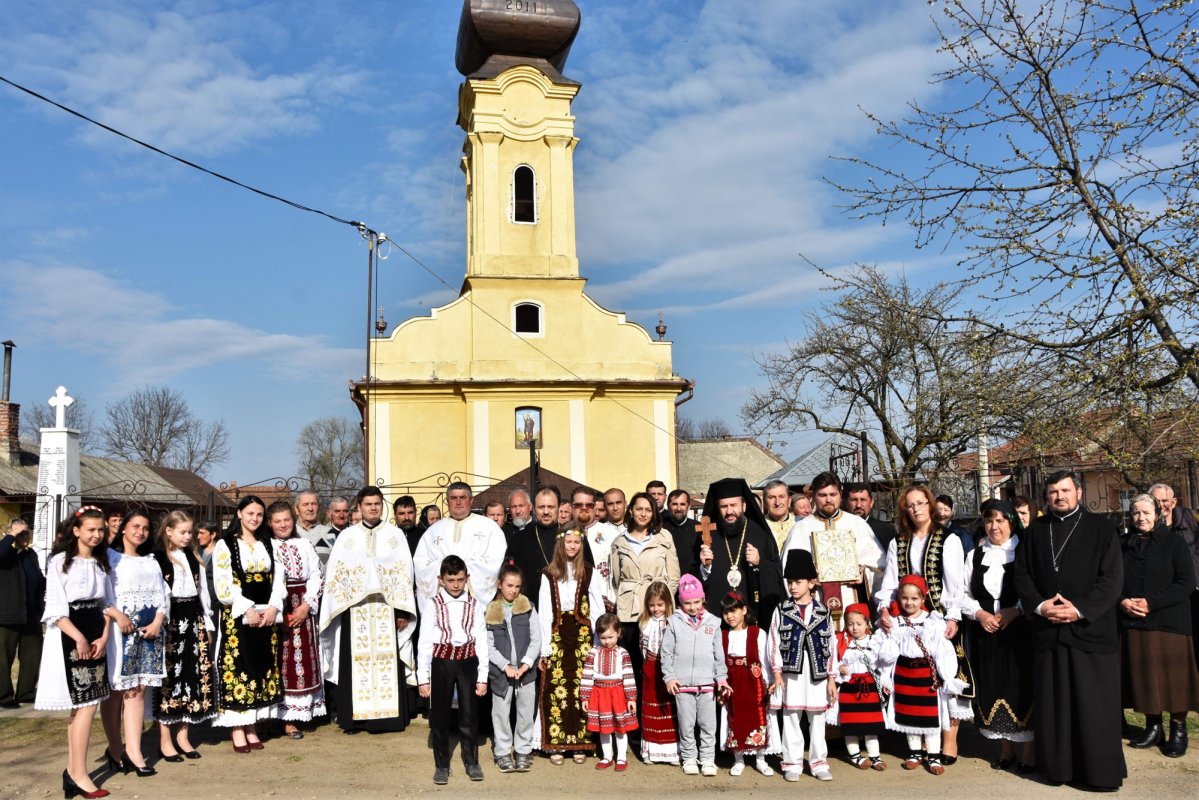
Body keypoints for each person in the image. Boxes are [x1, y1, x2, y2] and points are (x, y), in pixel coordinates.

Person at [1012, 470, 1126, 790]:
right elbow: (1022, 575)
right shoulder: (1035, 531)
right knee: (1054, 706)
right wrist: (1040, 606)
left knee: (1094, 708)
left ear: (1078, 492)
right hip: (1049, 631)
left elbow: (1112, 579)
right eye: (1052, 492)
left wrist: (1078, 610)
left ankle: (1098, 774)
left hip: (1090, 632)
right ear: (1046, 497)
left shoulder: (1102, 529)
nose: (1059, 496)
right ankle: (1057, 770)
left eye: (1064, 490)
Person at [36, 507, 128, 799]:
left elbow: (106, 603)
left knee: (90, 704)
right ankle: (77, 772)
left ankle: (74, 771)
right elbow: (55, 609)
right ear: (76, 530)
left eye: (101, 530)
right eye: (91, 529)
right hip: (71, 632)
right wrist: (79, 638)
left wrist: (101, 637)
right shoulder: (61, 562)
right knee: (84, 705)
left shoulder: (101, 563)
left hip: (96, 630)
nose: (97, 535)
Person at [876, 484, 972, 763]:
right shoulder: (899, 541)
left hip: (940, 617)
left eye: (920, 503)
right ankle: (917, 737)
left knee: (946, 678)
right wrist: (884, 609)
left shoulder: (948, 539)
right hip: (907, 616)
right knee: (914, 679)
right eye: (910, 504)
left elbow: (954, 582)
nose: (916, 508)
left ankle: (949, 740)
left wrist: (953, 615)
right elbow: (891, 581)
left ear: (930, 505)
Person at [319, 486, 417, 734]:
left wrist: (403, 611)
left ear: (382, 505)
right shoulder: (347, 537)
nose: (373, 508)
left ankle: (389, 718)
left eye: (377, 503)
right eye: (368, 504)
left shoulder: (395, 536)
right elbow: (336, 574)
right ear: (359, 507)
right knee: (355, 664)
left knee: (388, 662)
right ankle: (355, 720)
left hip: (387, 611)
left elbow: (405, 575)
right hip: (355, 611)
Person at [1120, 492, 1199, 758]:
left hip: (1170, 622)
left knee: (1174, 679)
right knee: (1145, 677)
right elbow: (1112, 580)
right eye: (1135, 513)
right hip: (1136, 622)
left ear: (1157, 514)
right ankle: (1153, 727)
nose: (1140, 517)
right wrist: (1122, 601)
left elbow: (1186, 582)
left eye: (1146, 512)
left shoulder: (1174, 543)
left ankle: (1178, 730)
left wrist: (1151, 603)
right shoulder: (1123, 543)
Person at [961, 500, 1035, 771]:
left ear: (1011, 523)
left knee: (1022, 686)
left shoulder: (1025, 552)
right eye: (989, 521)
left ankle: (1029, 750)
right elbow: (963, 594)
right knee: (994, 686)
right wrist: (979, 614)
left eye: (1001, 521)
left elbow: (1036, 592)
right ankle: (1006, 748)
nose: (994, 527)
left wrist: (1016, 611)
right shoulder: (976, 556)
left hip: (1020, 632)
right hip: (986, 632)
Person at [211, 495, 286, 753]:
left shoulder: (269, 543)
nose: (255, 519)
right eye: (250, 513)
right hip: (239, 616)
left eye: (259, 515)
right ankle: (237, 728)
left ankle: (252, 725)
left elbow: (279, 578)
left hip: (266, 616)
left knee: (261, 668)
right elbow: (223, 583)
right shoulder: (226, 544)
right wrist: (247, 609)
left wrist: (274, 606)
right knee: (240, 667)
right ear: (239, 514)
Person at [101, 509, 168, 777]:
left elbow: (164, 595)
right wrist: (117, 615)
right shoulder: (110, 557)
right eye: (135, 526)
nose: (140, 532)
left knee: (138, 690)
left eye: (145, 528)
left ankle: (135, 751)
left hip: (149, 632)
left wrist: (159, 620)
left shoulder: (152, 561)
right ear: (123, 528)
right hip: (120, 632)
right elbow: (102, 594)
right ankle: (115, 748)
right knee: (117, 691)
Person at [877, 574, 967, 776]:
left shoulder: (932, 621)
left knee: (929, 717)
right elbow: (888, 652)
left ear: (923, 599)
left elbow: (942, 650)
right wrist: (885, 677)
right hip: (903, 675)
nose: (909, 603)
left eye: (914, 598)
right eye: (905, 598)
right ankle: (914, 753)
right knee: (908, 715)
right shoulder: (895, 622)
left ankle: (933, 756)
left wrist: (948, 676)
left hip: (926, 676)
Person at [418, 554, 488, 785]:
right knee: (439, 716)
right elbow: (425, 641)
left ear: (467, 578)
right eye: (451, 580)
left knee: (469, 715)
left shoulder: (475, 605)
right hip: (442, 661)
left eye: (460, 579)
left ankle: (471, 761)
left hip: (468, 661)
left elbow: (481, 641)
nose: (456, 585)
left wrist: (483, 677)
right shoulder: (433, 604)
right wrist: (423, 678)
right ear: (441, 580)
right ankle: (441, 764)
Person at [537, 525, 605, 763]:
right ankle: (556, 744)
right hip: (557, 636)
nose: (573, 546)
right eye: (569, 542)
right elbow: (545, 612)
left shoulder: (589, 572)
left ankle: (580, 744)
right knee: (556, 689)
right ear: (560, 544)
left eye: (577, 542)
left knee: (581, 690)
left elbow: (597, 609)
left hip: (582, 637)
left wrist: (598, 642)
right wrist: (544, 647)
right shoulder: (548, 573)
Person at [152, 511, 216, 761]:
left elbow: (202, 593)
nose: (188, 536)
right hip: (171, 622)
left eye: (190, 532)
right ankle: (165, 739)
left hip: (193, 619)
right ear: (169, 531)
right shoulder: (158, 558)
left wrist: (206, 622)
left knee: (192, 675)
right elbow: (159, 594)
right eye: (183, 532)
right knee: (170, 678)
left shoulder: (193, 556)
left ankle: (184, 736)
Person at [782, 472, 884, 628]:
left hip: (852, 602)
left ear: (840, 495)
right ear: (813, 497)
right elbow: (788, 573)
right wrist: (808, 577)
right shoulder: (800, 529)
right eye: (822, 495)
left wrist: (864, 573)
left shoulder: (857, 524)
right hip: (815, 600)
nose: (828, 499)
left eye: (833, 494)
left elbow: (880, 566)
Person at [768, 550, 834, 782]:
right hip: (790, 674)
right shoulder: (782, 610)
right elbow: (774, 642)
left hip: (817, 674)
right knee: (792, 717)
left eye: (798, 582)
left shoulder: (823, 612)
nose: (793, 587)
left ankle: (818, 763)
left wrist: (832, 678)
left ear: (811, 582)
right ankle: (792, 763)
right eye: (790, 582)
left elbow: (831, 645)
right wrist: (776, 673)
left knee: (817, 719)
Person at [609, 491, 680, 689]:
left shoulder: (663, 537)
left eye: (648, 510)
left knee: (659, 660)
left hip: (658, 608)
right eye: (639, 509)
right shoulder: (619, 543)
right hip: (630, 610)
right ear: (631, 511)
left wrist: (663, 600)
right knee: (634, 663)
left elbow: (674, 576)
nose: (643, 514)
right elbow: (616, 579)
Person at [266, 501, 325, 736]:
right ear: (270, 523)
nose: (283, 525)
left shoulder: (303, 544)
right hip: (277, 604)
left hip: (302, 603)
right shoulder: (266, 545)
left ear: (294, 519)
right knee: (281, 658)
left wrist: (306, 605)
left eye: (287, 520)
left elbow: (316, 574)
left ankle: (297, 715)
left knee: (302, 659)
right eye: (278, 521)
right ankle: (278, 715)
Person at [660, 574, 728, 777]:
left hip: (707, 683)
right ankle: (689, 758)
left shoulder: (713, 622)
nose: (692, 607)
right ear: (680, 602)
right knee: (687, 724)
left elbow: (719, 654)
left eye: (696, 602)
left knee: (708, 725)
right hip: (682, 684)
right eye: (687, 603)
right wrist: (669, 677)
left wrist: (721, 678)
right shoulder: (673, 622)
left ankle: (707, 759)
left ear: (703, 599)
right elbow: (667, 653)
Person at [693, 477, 783, 628]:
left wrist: (759, 563)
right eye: (723, 506)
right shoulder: (707, 536)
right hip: (716, 619)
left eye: (733, 505)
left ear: (744, 505)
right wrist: (704, 568)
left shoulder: (760, 535)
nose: (729, 512)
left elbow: (776, 575)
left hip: (751, 618)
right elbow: (692, 579)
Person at [414, 482, 507, 609]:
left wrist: (465, 568)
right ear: (447, 501)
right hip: (443, 602)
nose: (458, 503)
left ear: (471, 500)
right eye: (453, 498)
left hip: (475, 602)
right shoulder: (433, 531)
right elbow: (421, 563)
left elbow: (496, 560)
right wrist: (444, 569)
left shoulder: (490, 528)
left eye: (463, 498)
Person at [486, 564, 540, 774]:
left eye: (517, 586)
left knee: (525, 712)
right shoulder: (491, 610)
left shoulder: (527, 607)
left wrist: (526, 663)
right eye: (509, 585)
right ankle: (502, 752)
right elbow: (488, 645)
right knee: (500, 712)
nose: (513, 590)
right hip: (502, 673)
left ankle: (523, 750)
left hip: (526, 672)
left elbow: (536, 639)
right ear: (500, 585)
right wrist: (505, 666)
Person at [719, 590, 777, 777]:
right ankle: (738, 759)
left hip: (753, 681)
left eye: (733, 611)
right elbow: (719, 662)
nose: (729, 616)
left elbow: (765, 660)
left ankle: (761, 759)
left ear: (744, 610)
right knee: (735, 718)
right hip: (733, 681)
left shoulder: (757, 633)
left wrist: (769, 682)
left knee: (758, 717)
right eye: (726, 612)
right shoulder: (723, 636)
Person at [506, 486, 590, 605]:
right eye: (541, 507)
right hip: (530, 605)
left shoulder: (574, 535)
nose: (546, 512)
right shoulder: (519, 538)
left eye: (550, 507)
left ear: (558, 507)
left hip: (567, 605)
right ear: (534, 508)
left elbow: (588, 571)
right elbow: (509, 573)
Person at [831, 603, 887, 771]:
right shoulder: (841, 642)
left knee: (871, 725)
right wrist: (840, 668)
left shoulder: (873, 640)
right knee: (851, 725)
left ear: (867, 623)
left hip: (868, 687)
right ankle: (854, 755)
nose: (854, 628)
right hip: (849, 688)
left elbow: (882, 663)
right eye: (850, 624)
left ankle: (875, 756)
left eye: (859, 624)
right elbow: (834, 661)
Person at [1149, 482, 1199, 668]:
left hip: (1192, 592)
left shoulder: (1191, 525)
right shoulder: (1145, 526)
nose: (1162, 504)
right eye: (1157, 500)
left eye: (1165, 500)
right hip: (1164, 597)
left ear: (1174, 502)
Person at [581, 613, 639, 771]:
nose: (607, 641)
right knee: (603, 727)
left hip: (618, 693)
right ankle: (607, 756)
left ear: (619, 633)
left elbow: (628, 676)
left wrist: (631, 698)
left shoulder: (623, 653)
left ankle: (621, 758)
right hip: (599, 694)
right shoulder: (593, 653)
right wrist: (585, 697)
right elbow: (587, 675)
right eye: (603, 637)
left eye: (610, 637)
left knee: (620, 728)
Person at [0, 518, 43, 708]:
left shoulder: (30, 554)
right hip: (7, 613)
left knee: (32, 655)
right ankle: (3, 696)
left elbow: (38, 581)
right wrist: (11, 536)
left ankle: (25, 692)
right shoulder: (5, 552)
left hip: (31, 614)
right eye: (20, 533)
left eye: (26, 533)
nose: (23, 537)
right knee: (3, 657)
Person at [638, 581, 679, 765]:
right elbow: (642, 649)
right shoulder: (644, 622)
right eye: (652, 605)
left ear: (668, 604)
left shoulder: (674, 621)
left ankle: (671, 752)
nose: (656, 609)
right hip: (650, 668)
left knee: (668, 707)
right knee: (650, 706)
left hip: (668, 669)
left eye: (660, 605)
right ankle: (652, 752)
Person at [846, 483, 897, 553]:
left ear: (871, 503)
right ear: (846, 503)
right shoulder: (839, 528)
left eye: (863, 500)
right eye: (854, 500)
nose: (858, 505)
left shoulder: (886, 530)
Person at [662, 489, 698, 574]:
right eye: (674, 504)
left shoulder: (698, 528)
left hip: (692, 581)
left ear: (688, 507)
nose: (678, 508)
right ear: (668, 506)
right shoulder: (660, 528)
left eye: (682, 504)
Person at [295, 490, 334, 565]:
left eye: (314, 504)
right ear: (297, 509)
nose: (310, 508)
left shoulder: (330, 533)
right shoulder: (290, 533)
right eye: (305, 504)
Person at [762, 479, 795, 552]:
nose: (777, 502)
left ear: (789, 500)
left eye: (782, 496)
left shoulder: (799, 523)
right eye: (771, 497)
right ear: (764, 503)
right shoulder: (759, 527)